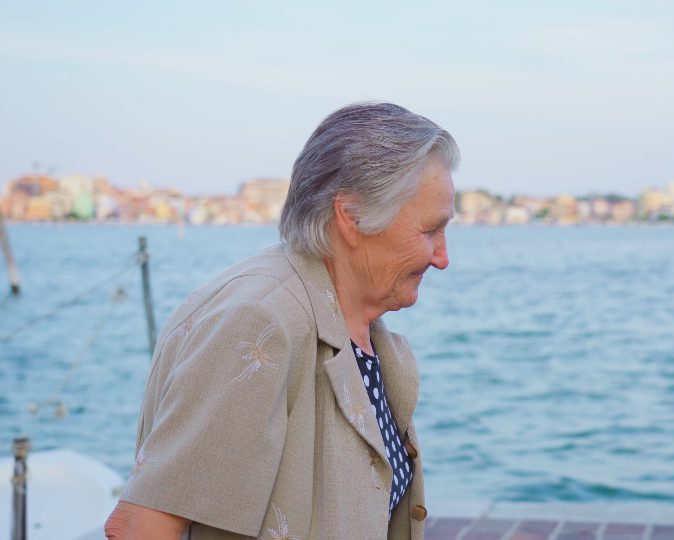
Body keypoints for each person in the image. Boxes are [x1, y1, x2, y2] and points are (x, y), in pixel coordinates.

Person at [105, 102, 459, 539]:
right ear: (351, 217)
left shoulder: (360, 331)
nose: (442, 258)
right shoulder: (259, 323)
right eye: (429, 231)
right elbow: (141, 527)